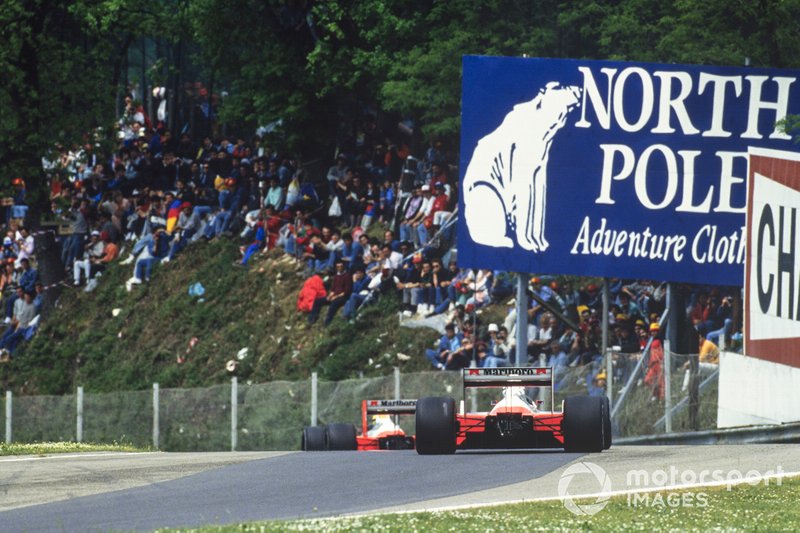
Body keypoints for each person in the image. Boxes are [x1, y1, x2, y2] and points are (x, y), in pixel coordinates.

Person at [308, 260, 353, 326]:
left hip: (343, 297)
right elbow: (333, 288)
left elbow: (346, 291)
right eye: (338, 267)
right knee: (317, 301)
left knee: (334, 304)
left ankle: (327, 322)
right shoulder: (336, 276)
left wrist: (336, 297)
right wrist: (330, 296)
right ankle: (312, 318)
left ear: (344, 267)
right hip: (335, 295)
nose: (339, 268)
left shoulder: (347, 276)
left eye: (341, 266)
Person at [0, 290, 37, 360]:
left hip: (23, 327)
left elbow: (29, 320)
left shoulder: (32, 307)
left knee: (9, 338)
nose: (26, 299)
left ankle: (9, 353)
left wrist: (19, 324)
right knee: (6, 335)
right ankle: (5, 351)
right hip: (17, 324)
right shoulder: (24, 304)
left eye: (27, 297)